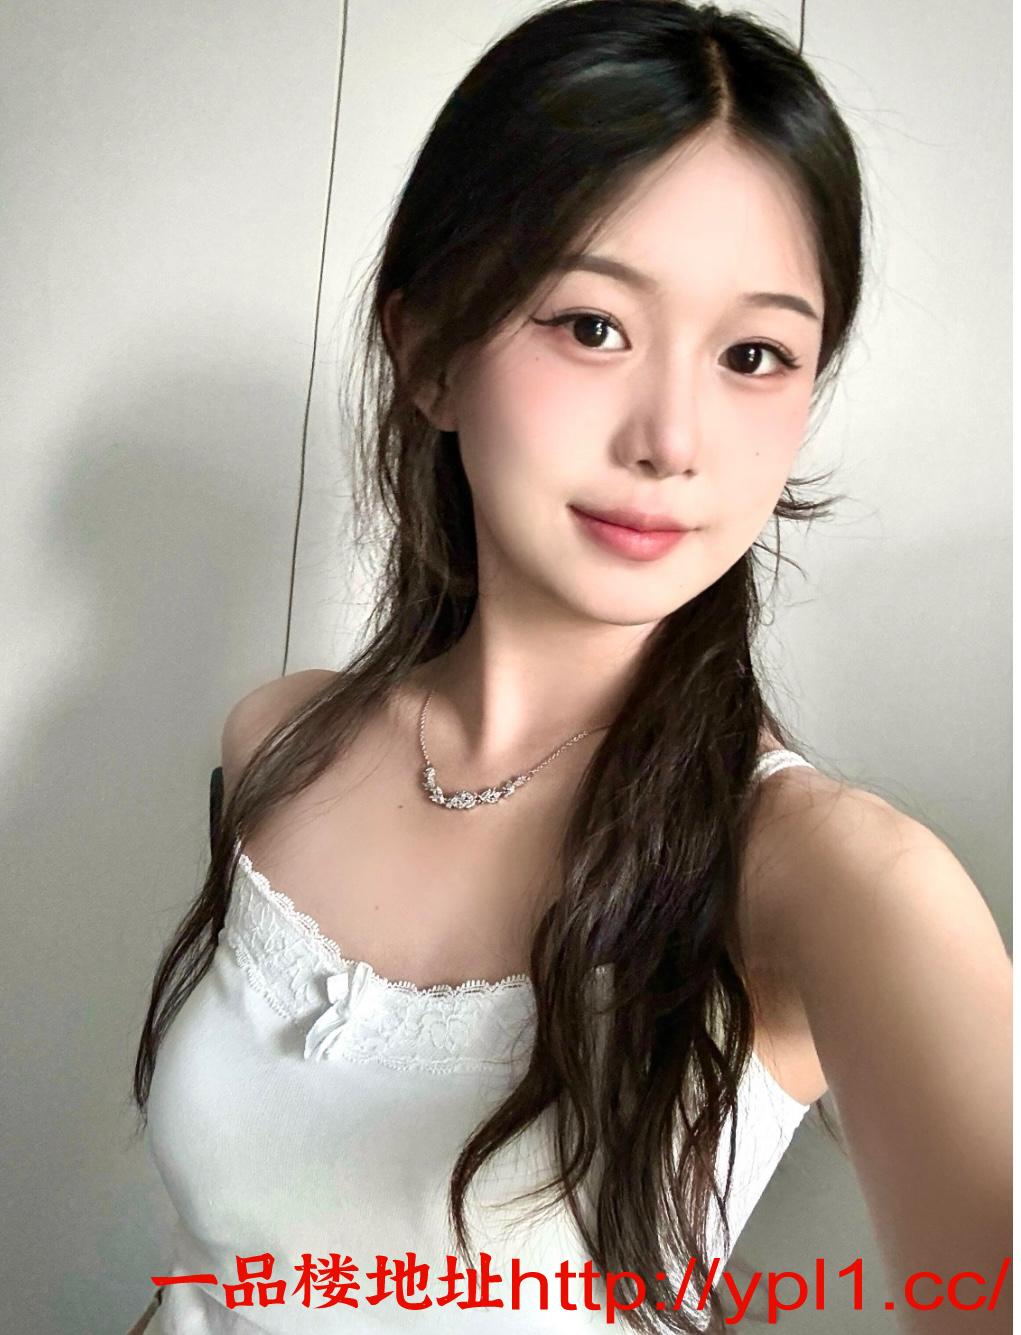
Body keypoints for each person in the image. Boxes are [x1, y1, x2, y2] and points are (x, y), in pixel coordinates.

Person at [128, 2, 1011, 1332]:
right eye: (593, 325)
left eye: (754, 355)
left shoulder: (824, 878)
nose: (672, 439)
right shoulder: (278, 743)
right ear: (428, 352)